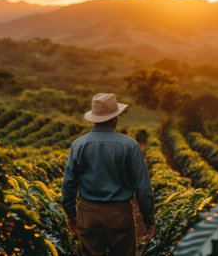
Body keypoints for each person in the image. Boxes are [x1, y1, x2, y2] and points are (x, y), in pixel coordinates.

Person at [61, 93, 155, 256]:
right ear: (114, 118)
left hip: (88, 213)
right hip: (119, 215)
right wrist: (148, 219)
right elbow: (142, 188)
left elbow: (69, 183)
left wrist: (70, 214)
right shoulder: (130, 145)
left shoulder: (78, 145)